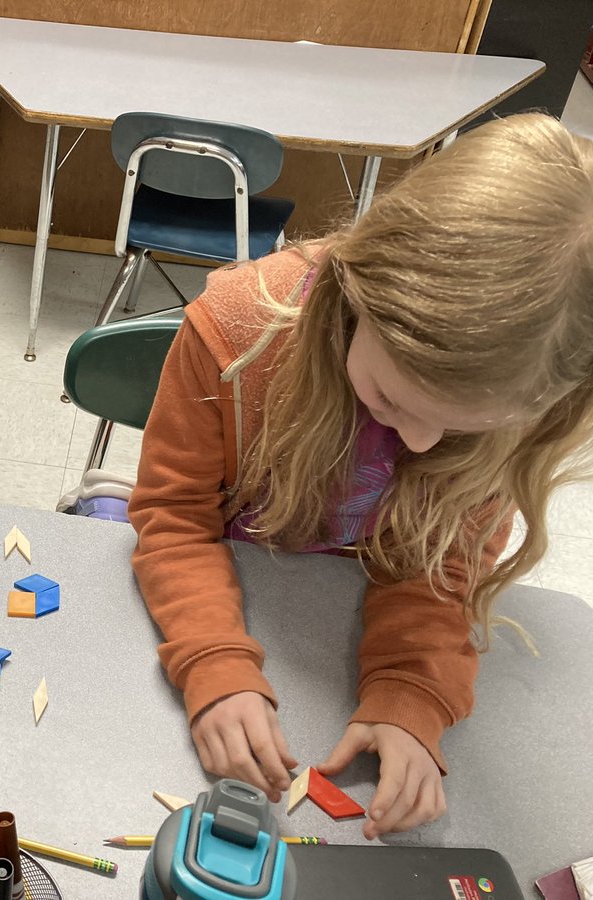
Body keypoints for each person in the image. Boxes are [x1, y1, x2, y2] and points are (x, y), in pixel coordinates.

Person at [128, 112, 593, 840]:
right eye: (389, 399)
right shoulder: (238, 334)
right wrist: (212, 659)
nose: (418, 439)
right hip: (223, 575)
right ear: (354, 292)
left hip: (335, 611)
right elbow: (175, 517)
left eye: (462, 426)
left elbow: (441, 569)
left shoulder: (525, 396)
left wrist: (410, 694)